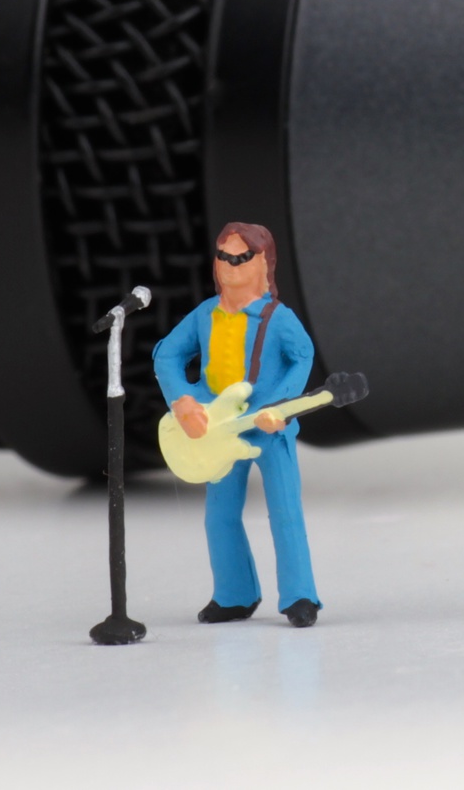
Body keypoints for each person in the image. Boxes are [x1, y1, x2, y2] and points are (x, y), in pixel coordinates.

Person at [152, 222, 324, 627]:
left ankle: (300, 595)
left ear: (264, 262)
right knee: (219, 516)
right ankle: (234, 595)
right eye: (223, 256)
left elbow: (302, 357)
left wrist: (280, 406)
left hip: (269, 430)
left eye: (242, 257)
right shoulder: (204, 315)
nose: (230, 265)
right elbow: (166, 354)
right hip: (219, 431)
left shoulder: (277, 319)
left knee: (285, 512)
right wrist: (183, 401)